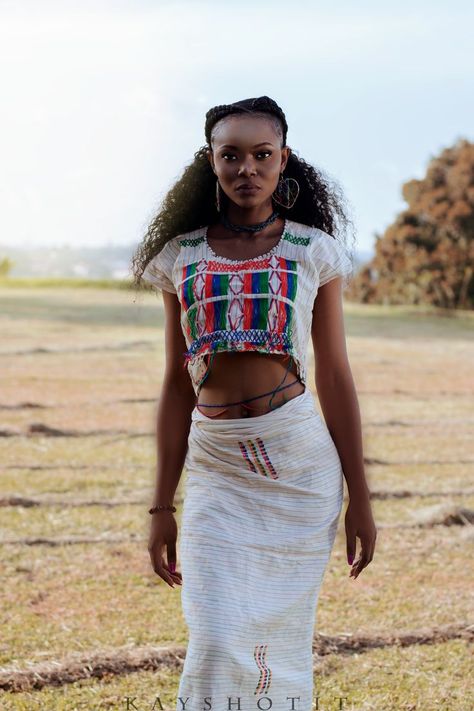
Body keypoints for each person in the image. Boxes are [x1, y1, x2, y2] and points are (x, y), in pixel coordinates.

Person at [133, 96, 377, 710]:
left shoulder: (313, 251)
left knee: (275, 639)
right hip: (217, 467)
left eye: (262, 155)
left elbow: (337, 377)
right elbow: (173, 383)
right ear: (210, 161)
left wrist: (362, 499)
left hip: (297, 469)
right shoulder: (180, 256)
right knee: (216, 635)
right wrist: (163, 504)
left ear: (283, 159)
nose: (248, 169)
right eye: (231, 155)